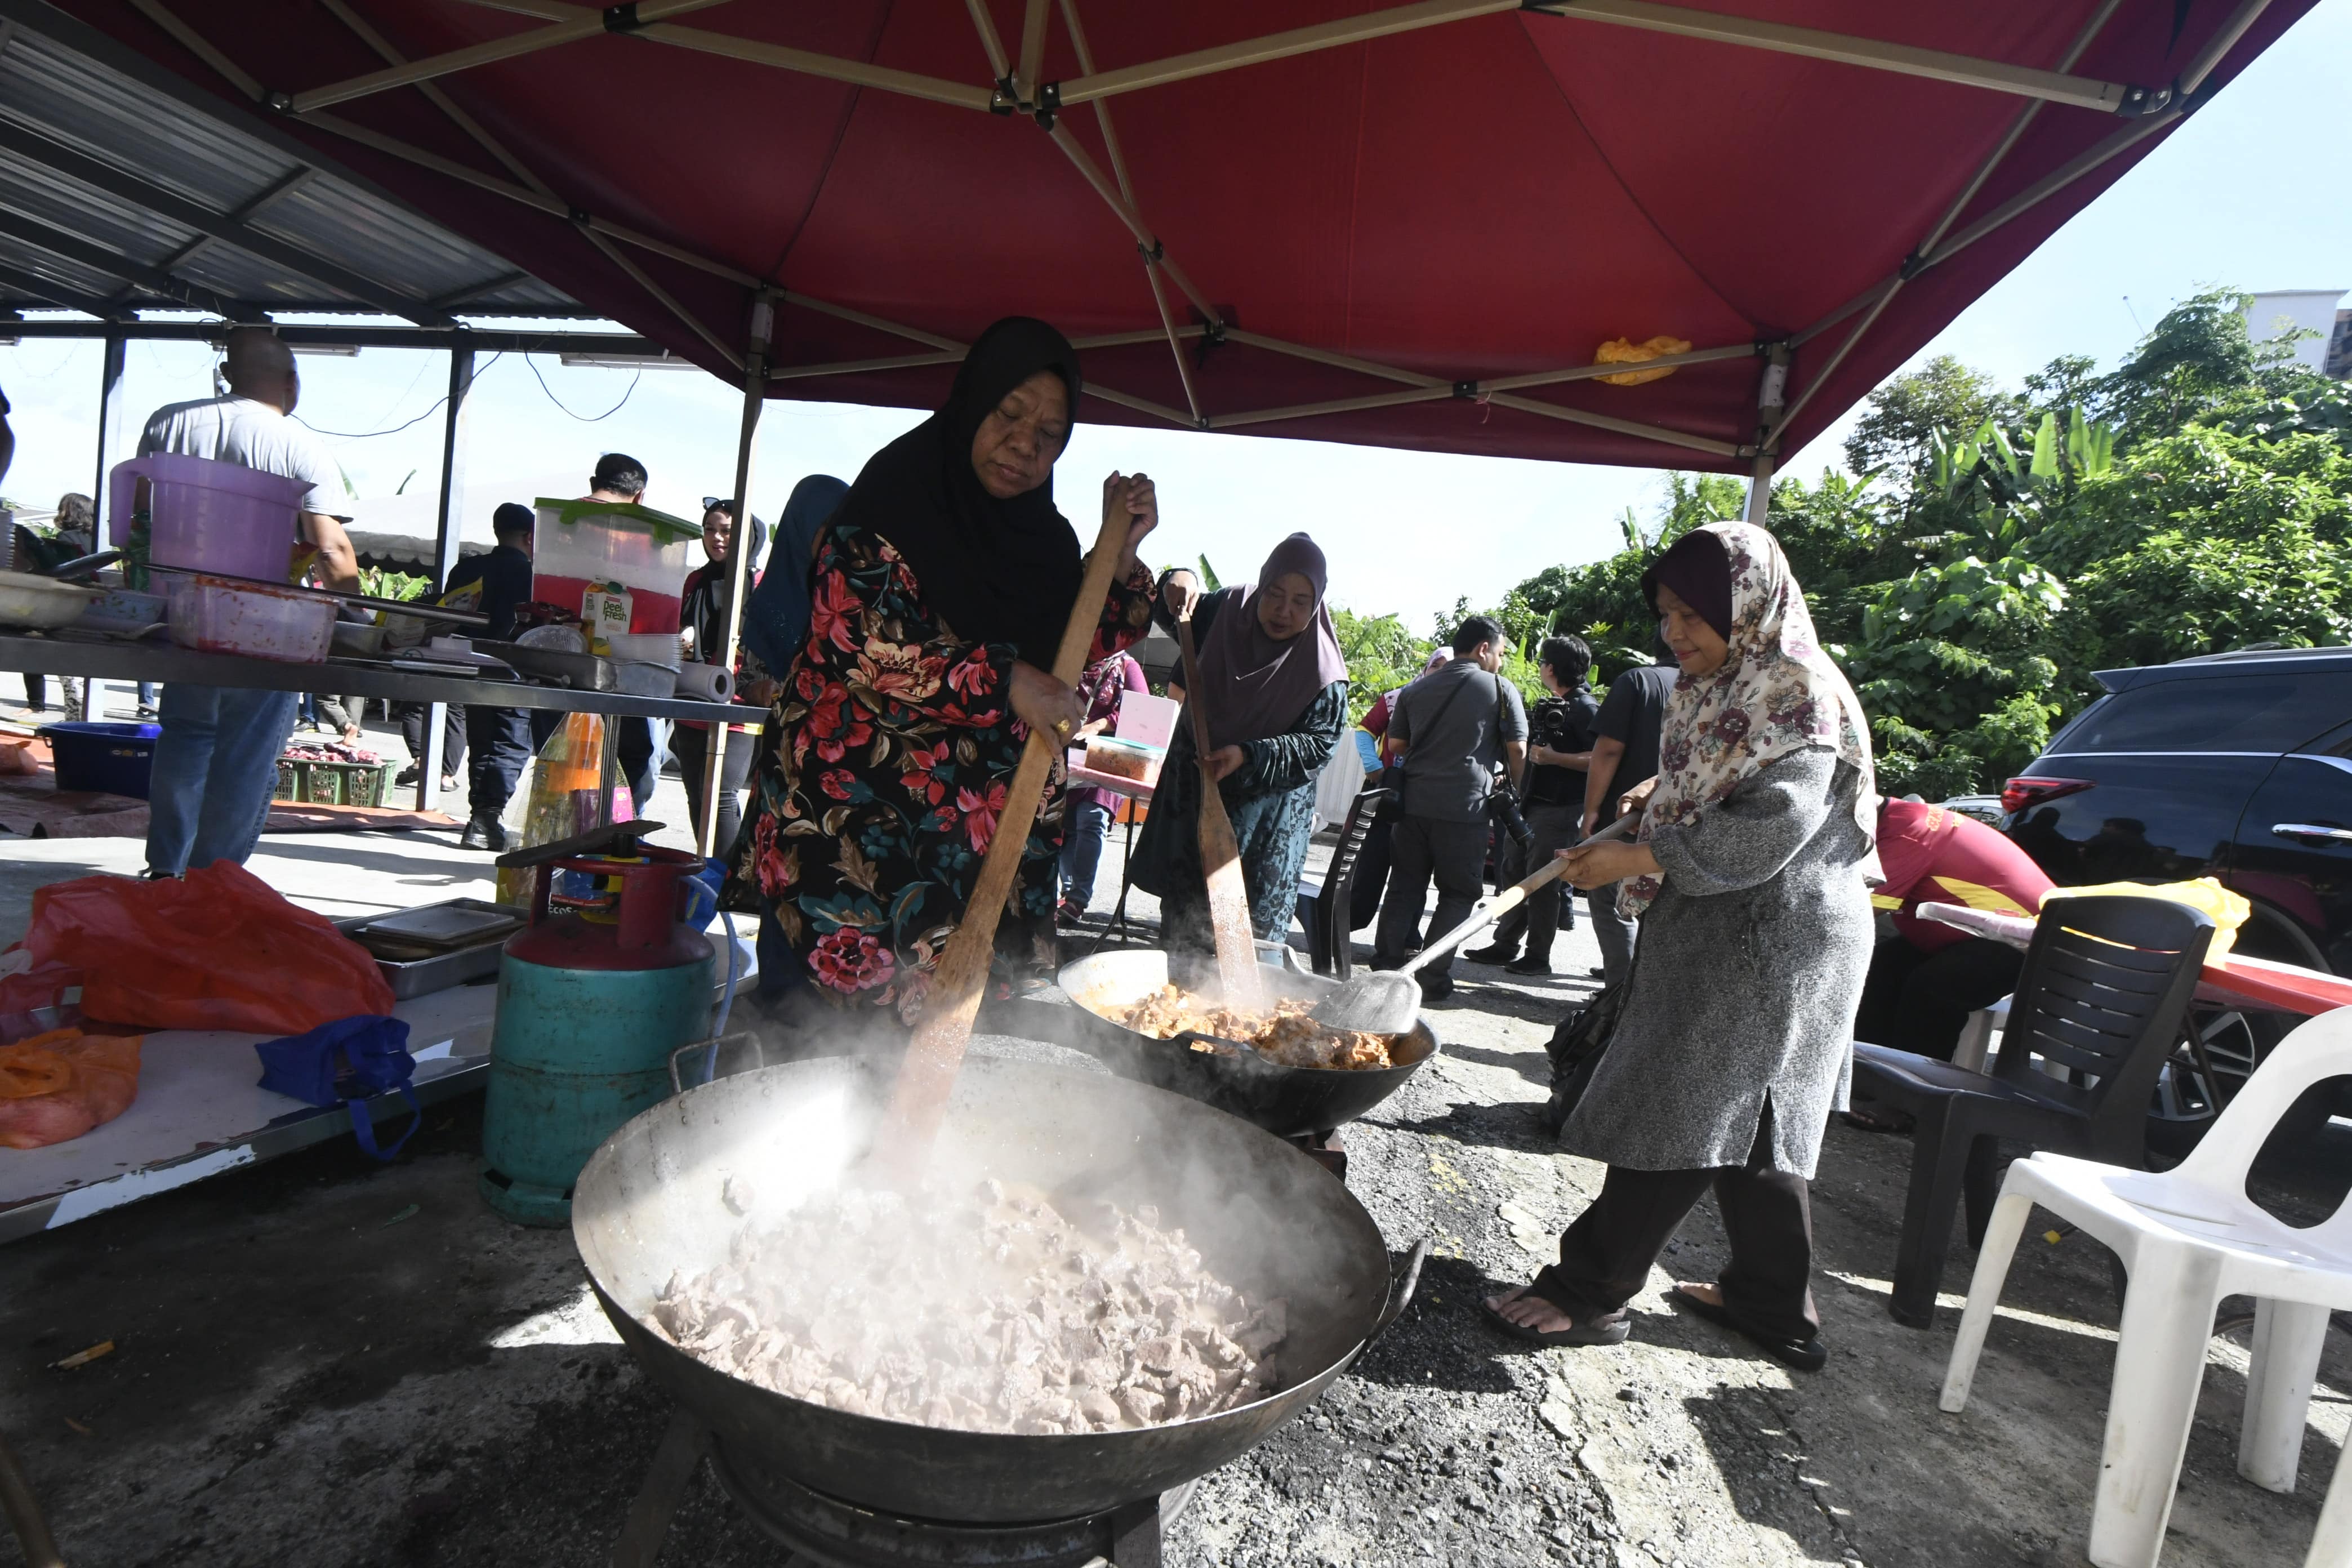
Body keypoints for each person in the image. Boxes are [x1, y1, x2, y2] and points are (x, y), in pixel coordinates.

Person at [1485, 522, 1878, 1373]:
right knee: (1754, 1119)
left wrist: (1634, 854)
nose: (1674, 634)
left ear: (1749, 604)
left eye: (1693, 615)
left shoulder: (1798, 692)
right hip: (1740, 929)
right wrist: (1661, 791)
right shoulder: (1726, 683)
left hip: (1777, 939)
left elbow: (1766, 829)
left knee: (1688, 1104)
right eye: (1665, 615)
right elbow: (1722, 777)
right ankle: (1772, 1307)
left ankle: (1587, 1291)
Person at [733, 317, 1161, 1025]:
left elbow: (1068, 650)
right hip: (857, 820)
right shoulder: (895, 497)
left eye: (1050, 434)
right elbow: (860, 639)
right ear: (973, 400)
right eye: (1010, 413)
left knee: (958, 1042)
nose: (1025, 445)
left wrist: (1118, 558)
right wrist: (1005, 679)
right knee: (834, 1042)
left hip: (975, 840)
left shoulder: (1043, 540)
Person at [140, 327, 359, 876]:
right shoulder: (298, 442)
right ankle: (215, 881)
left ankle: (167, 871)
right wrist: (361, 618)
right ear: (292, 382)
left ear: (227, 375)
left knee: (187, 736)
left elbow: (141, 516)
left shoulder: (167, 422)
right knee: (246, 751)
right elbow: (330, 548)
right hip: (261, 624)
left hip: (181, 612)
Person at [1133, 536, 1348, 973]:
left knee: (1242, 959)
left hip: (1263, 836)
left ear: (1317, 603)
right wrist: (1180, 579)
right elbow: (1174, 608)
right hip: (1196, 811)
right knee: (1183, 948)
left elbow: (1318, 745)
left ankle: (1235, 1040)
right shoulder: (1225, 611)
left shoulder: (1323, 670)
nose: (1284, 611)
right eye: (1275, 594)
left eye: (1300, 601)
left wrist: (1247, 756)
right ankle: (1166, 1038)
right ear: (1262, 585)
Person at [733, 474, 849, 1006]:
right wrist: (798, 693)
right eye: (820, 528)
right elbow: (753, 684)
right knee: (784, 895)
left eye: (838, 528)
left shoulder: (859, 594)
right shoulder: (773, 603)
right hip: (788, 777)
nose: (829, 540)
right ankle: (779, 1021)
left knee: (835, 909)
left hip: (845, 783)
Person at [1370, 616, 1527, 1003]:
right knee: (1458, 893)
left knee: (1404, 887)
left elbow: (1397, 745)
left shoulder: (1416, 688)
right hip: (1466, 811)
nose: (1502, 662)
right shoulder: (1500, 689)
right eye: (1502, 653)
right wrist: (1514, 786)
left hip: (1412, 807)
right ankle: (1431, 976)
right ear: (1483, 649)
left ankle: (1386, 967)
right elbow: (1519, 750)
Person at [1851, 796, 2053, 1071]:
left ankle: (1914, 1093)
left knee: (1933, 987)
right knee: (1881, 965)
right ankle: (1868, 1075)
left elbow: (1855, 914)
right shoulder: (1900, 818)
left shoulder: (1910, 829)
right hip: (1970, 934)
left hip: (2024, 942)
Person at [1467, 633, 1600, 975]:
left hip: (1560, 809)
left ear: (1551, 668)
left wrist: (1555, 758)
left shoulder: (1586, 708)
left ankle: (1538, 956)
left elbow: (1600, 759)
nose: (1540, 668)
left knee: (1542, 883)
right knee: (1513, 874)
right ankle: (1506, 944)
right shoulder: (1554, 705)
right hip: (1531, 805)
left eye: (1542, 663)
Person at [444, 502, 545, 850]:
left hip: (469, 664)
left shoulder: (468, 569)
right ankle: (486, 818)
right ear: (530, 536)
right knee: (511, 743)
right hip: (514, 668)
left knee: (483, 743)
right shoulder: (532, 575)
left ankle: (480, 818)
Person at [670, 497, 767, 858]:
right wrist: (682, 634)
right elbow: (681, 623)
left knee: (721, 793)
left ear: (747, 536)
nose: (716, 538)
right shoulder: (696, 580)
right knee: (696, 791)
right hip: (692, 694)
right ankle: (706, 865)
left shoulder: (759, 583)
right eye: (710, 530)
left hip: (738, 700)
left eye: (727, 531)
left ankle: (725, 876)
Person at [1579, 638, 1679, 985]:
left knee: (1613, 904)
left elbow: (1607, 751)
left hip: (1627, 820)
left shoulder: (1638, 681)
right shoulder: (1722, 687)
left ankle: (1620, 994)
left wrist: (1591, 812)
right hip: (1685, 824)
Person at [577, 454, 662, 813]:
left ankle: (562, 850)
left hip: (561, 661)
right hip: (626, 665)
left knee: (569, 762)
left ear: (592, 482)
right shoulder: (647, 533)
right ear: (640, 495)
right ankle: (619, 841)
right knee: (631, 759)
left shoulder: (559, 520)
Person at [1059, 645, 1148, 924]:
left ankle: (1077, 898)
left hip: (1106, 759)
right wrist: (1067, 729)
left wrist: (1097, 726)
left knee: (1091, 820)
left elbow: (1142, 711)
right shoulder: (1069, 657)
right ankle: (1065, 892)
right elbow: (1048, 703)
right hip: (1064, 755)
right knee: (1063, 825)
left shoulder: (1125, 666)